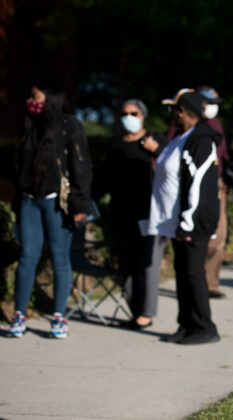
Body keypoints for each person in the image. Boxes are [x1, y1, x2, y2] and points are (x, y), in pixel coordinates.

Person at [10, 82, 93, 339]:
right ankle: (19, 314)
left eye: (37, 97)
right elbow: (20, 167)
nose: (31, 102)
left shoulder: (69, 125)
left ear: (52, 100)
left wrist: (80, 203)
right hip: (28, 200)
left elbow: (80, 164)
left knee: (60, 257)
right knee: (27, 257)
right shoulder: (29, 125)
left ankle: (58, 316)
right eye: (30, 97)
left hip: (57, 201)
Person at [143, 92, 221, 345]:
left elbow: (199, 183)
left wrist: (189, 220)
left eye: (175, 110)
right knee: (182, 272)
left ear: (185, 110)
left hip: (193, 220)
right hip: (177, 220)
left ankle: (205, 327)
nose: (172, 114)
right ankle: (186, 324)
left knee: (193, 274)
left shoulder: (201, 140)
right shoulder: (180, 137)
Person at [104, 99, 167, 329]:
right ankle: (136, 310)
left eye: (134, 113)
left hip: (149, 214)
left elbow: (174, 167)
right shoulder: (117, 146)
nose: (129, 116)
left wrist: (156, 150)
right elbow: (106, 179)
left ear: (143, 115)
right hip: (122, 214)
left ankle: (147, 313)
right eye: (124, 113)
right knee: (127, 266)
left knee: (149, 265)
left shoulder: (154, 138)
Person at [196, 86, 230, 299]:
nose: (213, 108)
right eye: (209, 103)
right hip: (193, 184)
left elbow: (223, 154)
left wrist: (225, 179)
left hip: (216, 184)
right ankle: (195, 282)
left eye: (216, 105)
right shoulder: (184, 124)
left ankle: (211, 284)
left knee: (219, 233)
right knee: (196, 236)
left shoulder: (216, 124)